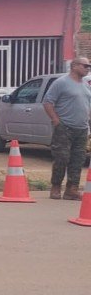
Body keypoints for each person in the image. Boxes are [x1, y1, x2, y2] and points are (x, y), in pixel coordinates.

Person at [43, 56, 91, 199]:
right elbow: (48, 102)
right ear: (75, 66)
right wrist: (56, 120)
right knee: (62, 157)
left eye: (89, 66)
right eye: (85, 65)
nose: (88, 68)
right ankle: (56, 187)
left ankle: (72, 189)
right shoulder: (61, 83)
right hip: (65, 127)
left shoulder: (85, 85)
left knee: (78, 159)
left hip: (81, 128)